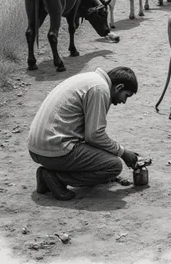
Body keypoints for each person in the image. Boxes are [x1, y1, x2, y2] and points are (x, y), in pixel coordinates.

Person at [28, 66, 140, 201]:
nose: (123, 101)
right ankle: (55, 178)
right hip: (54, 150)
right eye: (126, 95)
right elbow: (94, 135)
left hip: (38, 147)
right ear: (118, 87)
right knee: (113, 166)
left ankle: (51, 175)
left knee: (106, 153)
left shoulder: (91, 79)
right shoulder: (100, 89)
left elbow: (92, 136)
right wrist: (123, 153)